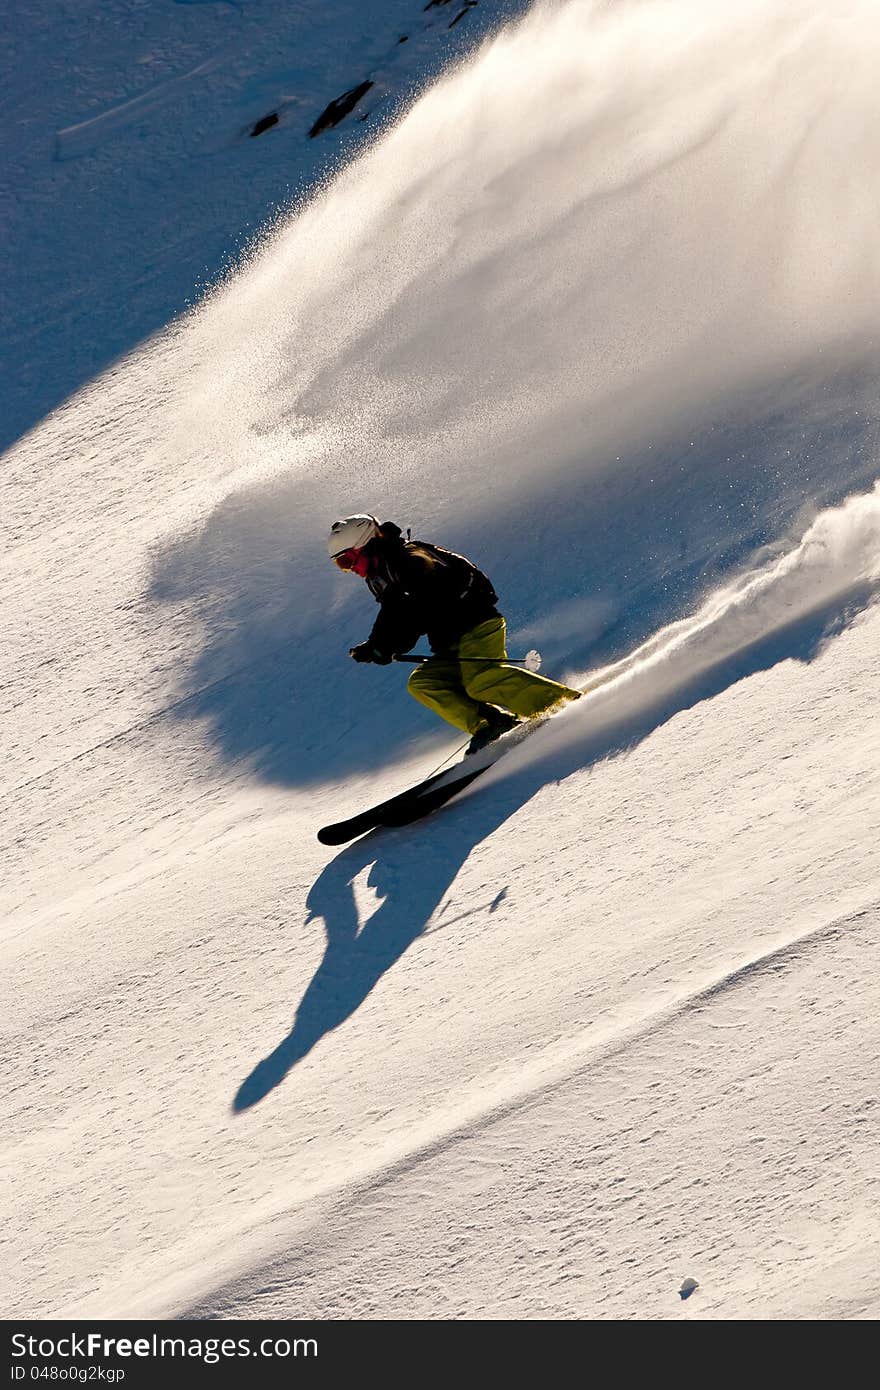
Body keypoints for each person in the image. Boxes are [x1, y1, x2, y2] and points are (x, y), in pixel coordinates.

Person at [328, 514, 581, 754]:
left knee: (482, 680)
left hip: (475, 624)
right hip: (450, 641)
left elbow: (413, 606)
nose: (350, 569)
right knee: (424, 683)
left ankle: (561, 704)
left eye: (348, 560)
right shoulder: (382, 573)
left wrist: (384, 646)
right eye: (342, 565)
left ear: (366, 544)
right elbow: (394, 613)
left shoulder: (409, 559)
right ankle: (491, 723)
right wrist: (377, 646)